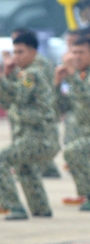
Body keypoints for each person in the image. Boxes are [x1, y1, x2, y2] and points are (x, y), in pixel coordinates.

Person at [0, 32, 60, 220]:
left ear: (34, 52)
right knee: (24, 166)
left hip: (38, 137)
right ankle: (40, 208)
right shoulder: (22, 74)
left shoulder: (32, 73)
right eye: (15, 52)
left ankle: (14, 207)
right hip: (33, 137)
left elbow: (19, 96)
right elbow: (6, 102)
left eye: (21, 52)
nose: (16, 56)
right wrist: (7, 75)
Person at [54, 36, 90, 211]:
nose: (76, 57)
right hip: (84, 132)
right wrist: (57, 85)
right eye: (74, 52)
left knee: (73, 151)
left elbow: (86, 100)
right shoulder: (79, 77)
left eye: (81, 52)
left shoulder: (79, 77)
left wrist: (72, 75)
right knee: (73, 151)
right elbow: (62, 108)